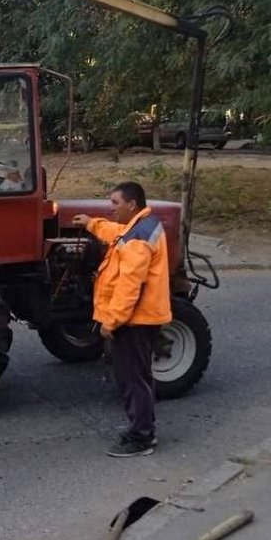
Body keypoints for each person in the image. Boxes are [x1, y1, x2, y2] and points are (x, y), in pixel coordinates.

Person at [72, 181, 172, 457]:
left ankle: (142, 437)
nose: (111, 208)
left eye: (115, 203)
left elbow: (130, 285)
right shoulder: (139, 228)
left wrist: (111, 321)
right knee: (137, 376)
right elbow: (116, 233)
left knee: (133, 378)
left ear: (131, 204)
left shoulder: (138, 239)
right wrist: (92, 223)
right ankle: (142, 428)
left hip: (134, 321)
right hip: (138, 318)